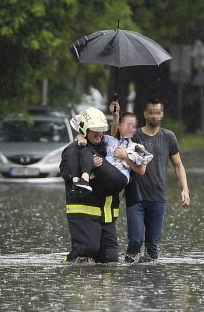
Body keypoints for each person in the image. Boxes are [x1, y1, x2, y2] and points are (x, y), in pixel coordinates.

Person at [61, 105, 143, 263]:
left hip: (107, 216)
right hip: (84, 214)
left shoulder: (108, 147)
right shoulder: (74, 151)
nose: (99, 134)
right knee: (85, 254)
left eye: (101, 130)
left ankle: (105, 289)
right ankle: (68, 267)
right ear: (84, 130)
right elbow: (66, 173)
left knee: (110, 260)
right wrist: (90, 169)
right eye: (94, 130)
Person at [126, 99, 190, 263]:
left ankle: (153, 284)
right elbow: (115, 139)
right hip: (136, 198)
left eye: (158, 112)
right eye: (151, 112)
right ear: (145, 114)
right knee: (135, 241)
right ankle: (129, 280)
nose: (154, 115)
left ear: (162, 114)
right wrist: (116, 114)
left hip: (158, 198)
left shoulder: (168, 137)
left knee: (152, 246)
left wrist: (185, 189)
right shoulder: (135, 135)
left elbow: (178, 165)